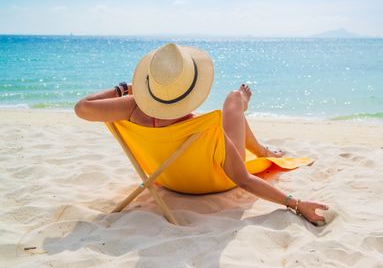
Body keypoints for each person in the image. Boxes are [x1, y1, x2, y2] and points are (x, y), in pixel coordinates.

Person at [75, 43, 328, 224]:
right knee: (232, 100)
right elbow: (244, 180)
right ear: (190, 90)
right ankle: (255, 134)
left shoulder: (131, 106)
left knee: (232, 108)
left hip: (164, 177)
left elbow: (82, 108)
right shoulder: (206, 129)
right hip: (214, 182)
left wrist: (124, 88)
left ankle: (261, 147)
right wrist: (296, 204)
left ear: (151, 84)